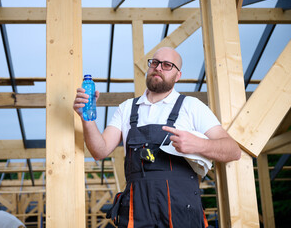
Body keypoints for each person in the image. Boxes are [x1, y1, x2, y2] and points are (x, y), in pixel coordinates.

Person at [73, 47, 241, 228]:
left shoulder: (191, 106)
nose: (158, 68)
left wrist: (198, 145)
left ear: (178, 75)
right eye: (155, 62)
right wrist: (86, 118)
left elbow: (233, 150)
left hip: (181, 212)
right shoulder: (127, 108)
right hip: (135, 211)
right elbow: (100, 150)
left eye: (167, 65)